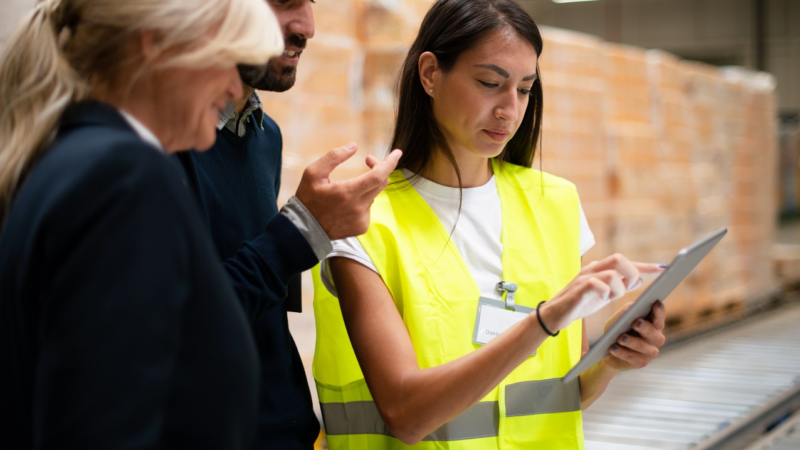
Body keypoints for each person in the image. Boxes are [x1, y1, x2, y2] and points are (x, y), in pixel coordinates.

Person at [312, 0, 668, 448]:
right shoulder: (363, 220)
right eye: (489, 83)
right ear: (429, 74)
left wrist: (610, 360)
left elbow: (565, 395)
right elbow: (405, 414)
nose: (509, 110)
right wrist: (545, 320)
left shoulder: (555, 203)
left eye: (524, 89)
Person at [0, 0, 284, 448]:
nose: (235, 84)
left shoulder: (74, 158)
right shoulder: (125, 176)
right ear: (156, 43)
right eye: (226, 58)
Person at [173, 1, 401, 448]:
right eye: (284, 1)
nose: (307, 28)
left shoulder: (263, 135)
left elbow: (256, 309)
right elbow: (180, 326)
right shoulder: (156, 138)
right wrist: (303, 229)